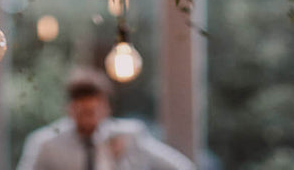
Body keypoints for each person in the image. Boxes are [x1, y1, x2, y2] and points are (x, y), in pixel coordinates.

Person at [16, 68, 195, 170]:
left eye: (93, 111)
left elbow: (180, 167)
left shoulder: (129, 136)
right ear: (70, 109)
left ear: (107, 108)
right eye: (82, 112)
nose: (89, 119)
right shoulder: (45, 143)